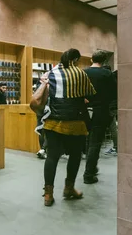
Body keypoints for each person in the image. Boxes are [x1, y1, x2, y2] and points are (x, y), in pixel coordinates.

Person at [31, 48, 95, 207]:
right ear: (75, 60)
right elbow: (89, 95)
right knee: (75, 156)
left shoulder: (50, 74)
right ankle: (69, 188)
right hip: (76, 123)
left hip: (53, 123)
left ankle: (48, 194)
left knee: (52, 157)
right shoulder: (80, 74)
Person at [83, 50, 116, 184]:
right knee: (96, 143)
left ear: (91, 59)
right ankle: (89, 174)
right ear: (104, 61)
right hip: (101, 111)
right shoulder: (107, 74)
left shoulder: (83, 72)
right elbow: (114, 93)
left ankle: (91, 166)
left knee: (88, 140)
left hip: (85, 110)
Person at [105, 70, 118, 155]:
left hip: (111, 107)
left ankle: (117, 147)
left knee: (113, 127)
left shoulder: (112, 82)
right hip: (115, 106)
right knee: (114, 127)